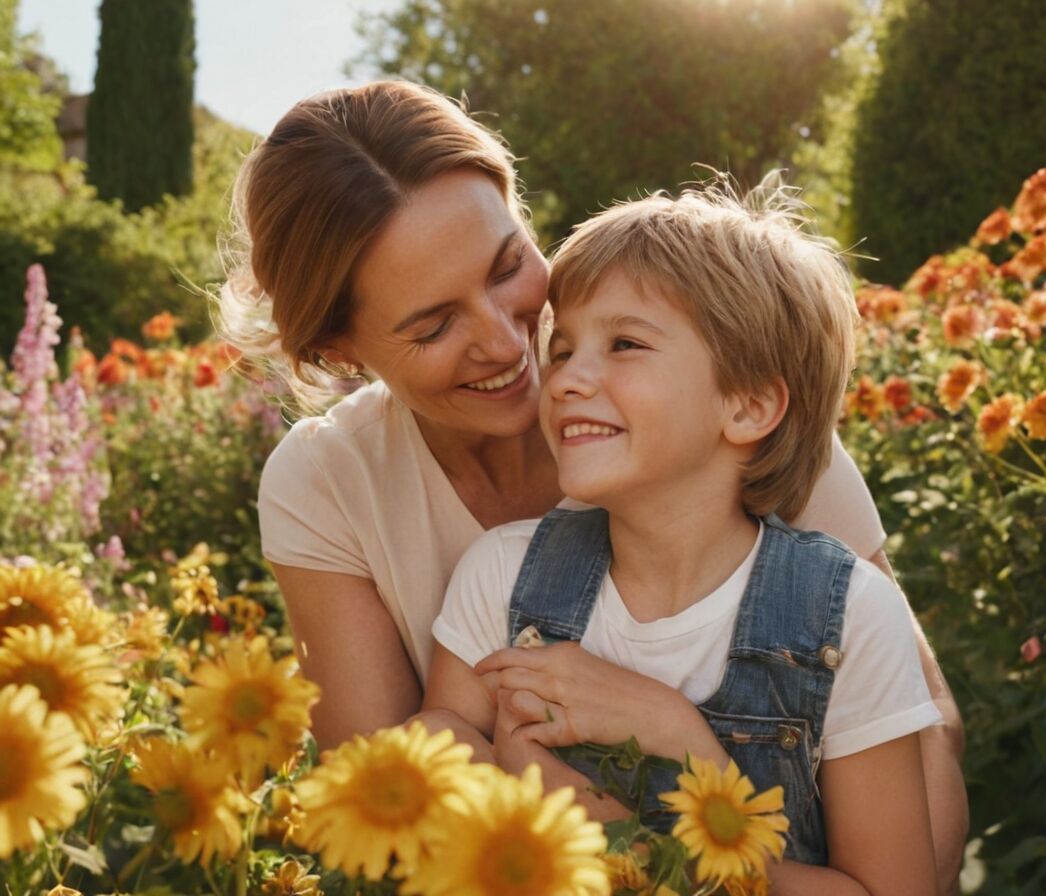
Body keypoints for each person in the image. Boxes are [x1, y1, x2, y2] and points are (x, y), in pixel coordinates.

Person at [216, 80, 965, 891]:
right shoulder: (340, 484)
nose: (513, 347)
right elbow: (390, 798)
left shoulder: (716, 415)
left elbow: (929, 743)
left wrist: (674, 747)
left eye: (508, 267)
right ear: (338, 347)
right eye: (434, 326)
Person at [422, 180, 941, 892]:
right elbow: (436, 738)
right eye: (564, 349)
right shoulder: (503, 574)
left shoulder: (849, 614)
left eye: (625, 343)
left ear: (749, 404)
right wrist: (486, 769)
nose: (568, 378)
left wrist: (676, 755)